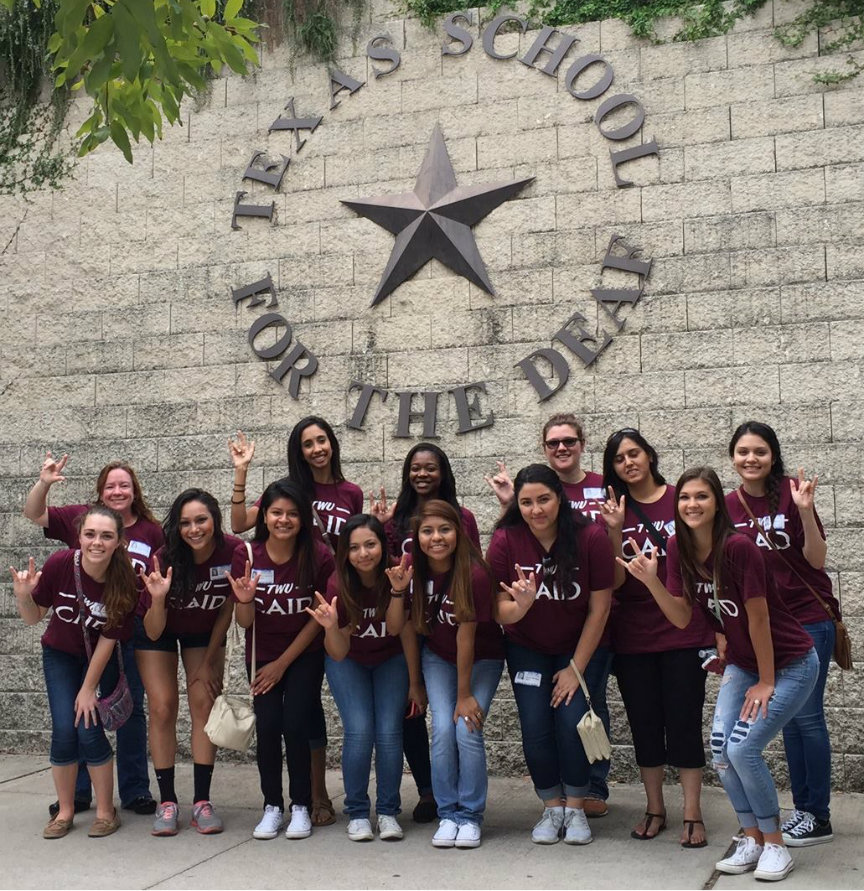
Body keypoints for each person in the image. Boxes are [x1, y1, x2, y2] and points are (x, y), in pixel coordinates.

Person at [620, 467, 818, 882]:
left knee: (743, 749)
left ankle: (776, 845)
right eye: (685, 498)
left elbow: (759, 619)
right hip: (746, 665)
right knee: (721, 751)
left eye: (702, 497)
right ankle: (752, 838)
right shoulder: (677, 547)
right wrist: (652, 582)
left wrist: (766, 681)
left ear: (716, 503)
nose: (692, 504)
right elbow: (679, 617)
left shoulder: (739, 548)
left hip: (791, 663)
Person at [228, 417, 362, 826]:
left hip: (324, 619)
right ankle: (282, 804)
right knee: (273, 724)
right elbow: (237, 524)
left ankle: (306, 801)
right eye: (308, 443)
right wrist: (241, 473)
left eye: (322, 440)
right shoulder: (278, 507)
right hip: (272, 641)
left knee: (301, 716)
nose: (317, 448)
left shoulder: (347, 500)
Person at [484, 412, 612, 817]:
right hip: (528, 649)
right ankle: (551, 806)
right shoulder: (505, 540)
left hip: (578, 647)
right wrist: (519, 606)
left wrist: (576, 668)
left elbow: (601, 605)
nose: (536, 509)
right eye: (526, 502)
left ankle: (576, 806)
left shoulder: (589, 535)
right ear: (516, 505)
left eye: (544, 499)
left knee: (573, 722)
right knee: (536, 728)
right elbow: (496, 608)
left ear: (560, 498)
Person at [23, 454, 157, 816]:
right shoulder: (83, 520)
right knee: (78, 716)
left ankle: (134, 791)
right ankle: (79, 792)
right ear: (100, 493)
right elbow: (35, 513)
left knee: (127, 711)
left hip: (123, 634)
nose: (117, 491)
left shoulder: (150, 531)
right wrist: (44, 483)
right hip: (74, 636)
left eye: (124, 485)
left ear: (135, 491)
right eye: (110, 485)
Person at [727, 421, 839, 847]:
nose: (750, 459)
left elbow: (816, 559)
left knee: (806, 719)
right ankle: (805, 810)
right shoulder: (728, 506)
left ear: (773, 455)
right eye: (743, 451)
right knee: (790, 721)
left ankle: (816, 815)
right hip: (762, 626)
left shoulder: (793, 494)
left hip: (807, 618)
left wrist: (806, 511)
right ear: (733, 457)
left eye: (759, 451)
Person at [600, 429, 713, 847]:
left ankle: (692, 812)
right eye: (619, 458)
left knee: (684, 723)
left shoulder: (680, 498)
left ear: (650, 455)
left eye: (635, 454)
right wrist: (613, 529)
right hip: (633, 637)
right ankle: (655, 807)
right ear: (612, 468)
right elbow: (612, 580)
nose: (628, 462)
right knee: (644, 726)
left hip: (684, 630)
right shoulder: (613, 510)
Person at [12, 505, 140, 839]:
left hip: (99, 657)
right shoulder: (60, 564)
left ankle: (105, 811)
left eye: (106, 536)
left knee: (88, 726)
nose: (97, 542)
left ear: (118, 542)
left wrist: (88, 689)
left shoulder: (125, 581)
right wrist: (24, 596)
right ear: (79, 536)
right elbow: (32, 618)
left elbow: (109, 640)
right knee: (64, 731)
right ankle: (65, 811)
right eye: (90, 534)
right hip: (60, 655)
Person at [370, 442, 481, 823]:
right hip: (407, 624)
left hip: (448, 623)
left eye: (430, 468)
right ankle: (429, 791)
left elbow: (473, 571)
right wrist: (379, 526)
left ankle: (460, 796)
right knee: (412, 710)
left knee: (455, 718)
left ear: (443, 472)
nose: (422, 474)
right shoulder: (394, 521)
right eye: (415, 468)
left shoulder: (462, 517)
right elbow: (380, 570)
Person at [226, 479, 335, 841]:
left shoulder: (318, 555)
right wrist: (243, 600)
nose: (283, 520)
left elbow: (316, 619)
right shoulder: (249, 554)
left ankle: (301, 805)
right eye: (276, 512)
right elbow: (244, 623)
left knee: (296, 723)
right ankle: (272, 806)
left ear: (303, 519)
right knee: (269, 726)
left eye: (291, 513)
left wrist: (283, 664)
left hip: (302, 653)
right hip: (261, 654)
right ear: (265, 517)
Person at [305, 515, 422, 842]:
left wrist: (415, 682)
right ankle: (357, 812)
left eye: (370, 544)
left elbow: (401, 630)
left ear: (383, 546)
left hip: (390, 660)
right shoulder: (337, 584)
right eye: (354, 547)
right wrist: (329, 626)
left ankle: (387, 812)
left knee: (388, 732)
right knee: (359, 731)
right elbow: (338, 652)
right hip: (350, 662)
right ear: (344, 553)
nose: (363, 553)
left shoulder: (398, 572)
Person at [137, 490, 241, 836]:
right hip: (160, 629)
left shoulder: (233, 552)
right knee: (163, 707)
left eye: (201, 520)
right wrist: (158, 599)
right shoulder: (165, 556)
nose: (194, 529)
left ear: (215, 520)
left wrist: (210, 660)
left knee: (203, 702)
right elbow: (152, 631)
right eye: (185, 523)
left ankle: (201, 802)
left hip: (204, 634)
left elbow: (228, 607)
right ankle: (167, 801)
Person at [401, 499, 503, 849]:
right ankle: (447, 813)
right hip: (438, 657)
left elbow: (467, 637)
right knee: (442, 730)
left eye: (444, 529)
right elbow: (415, 628)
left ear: (459, 533)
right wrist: (415, 683)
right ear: (417, 537)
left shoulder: (474, 573)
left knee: (467, 727)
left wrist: (464, 694)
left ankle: (470, 815)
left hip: (481, 659)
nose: (436, 538)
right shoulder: (416, 571)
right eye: (427, 531)